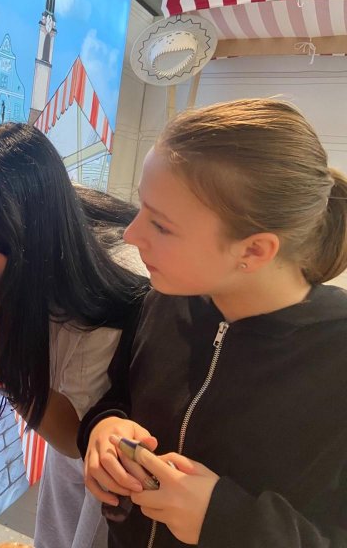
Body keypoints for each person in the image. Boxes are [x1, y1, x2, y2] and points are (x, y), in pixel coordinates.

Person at [80, 98, 347, 547]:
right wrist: (104, 430)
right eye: (141, 207)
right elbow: (118, 398)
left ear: (254, 250)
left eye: (161, 225)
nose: (131, 234)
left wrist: (224, 520)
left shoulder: (336, 358)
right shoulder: (164, 302)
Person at [0, 123, 149, 548]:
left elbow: (74, 438)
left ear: (30, 237)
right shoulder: (39, 218)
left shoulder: (100, 298)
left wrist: (0, 363)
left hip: (117, 458)